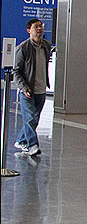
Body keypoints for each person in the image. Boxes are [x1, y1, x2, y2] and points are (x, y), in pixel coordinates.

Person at [13, 18, 52, 157]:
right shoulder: (23, 48)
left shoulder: (47, 46)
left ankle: (20, 140)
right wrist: (23, 87)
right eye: (36, 27)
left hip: (41, 89)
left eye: (41, 26)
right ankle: (32, 145)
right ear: (29, 30)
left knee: (35, 119)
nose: (39, 29)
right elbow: (16, 71)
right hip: (27, 90)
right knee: (29, 118)